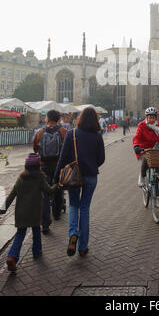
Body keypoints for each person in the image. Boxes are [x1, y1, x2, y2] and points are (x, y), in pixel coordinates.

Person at [54, 107, 105, 257]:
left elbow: (62, 158)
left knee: (73, 205)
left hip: (73, 176)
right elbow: (101, 158)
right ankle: (83, 246)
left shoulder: (72, 134)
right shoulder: (97, 136)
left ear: (80, 119)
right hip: (90, 176)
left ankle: (73, 234)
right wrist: (92, 164)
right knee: (84, 208)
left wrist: (56, 176)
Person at [0, 154, 57, 272]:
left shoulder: (20, 179)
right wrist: (59, 186)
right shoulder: (40, 179)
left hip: (21, 213)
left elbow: (11, 195)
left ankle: (12, 256)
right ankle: (37, 252)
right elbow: (49, 191)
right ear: (38, 166)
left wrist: (2, 209)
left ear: (26, 166)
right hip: (35, 213)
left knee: (20, 235)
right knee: (36, 232)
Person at [33, 110, 67, 233]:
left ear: (47, 119)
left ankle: (45, 223)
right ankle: (57, 213)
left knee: (45, 194)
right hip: (59, 165)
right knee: (58, 188)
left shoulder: (40, 132)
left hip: (44, 166)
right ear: (58, 119)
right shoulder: (63, 132)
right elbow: (67, 149)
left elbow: (35, 148)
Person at [133, 107, 159, 187]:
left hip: (155, 149)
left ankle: (158, 183)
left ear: (156, 118)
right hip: (144, 149)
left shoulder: (158, 125)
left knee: (158, 165)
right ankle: (142, 176)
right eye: (150, 117)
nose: (152, 119)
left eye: (153, 117)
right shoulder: (141, 125)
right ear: (147, 117)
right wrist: (136, 146)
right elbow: (137, 137)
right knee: (146, 159)